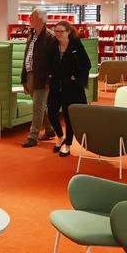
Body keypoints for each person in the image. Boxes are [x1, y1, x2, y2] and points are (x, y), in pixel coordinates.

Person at [46, 20, 91, 157]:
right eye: (56, 31)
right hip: (55, 85)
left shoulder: (76, 44)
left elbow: (86, 64)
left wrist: (75, 78)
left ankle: (67, 145)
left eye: (61, 31)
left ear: (68, 32)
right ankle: (60, 137)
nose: (58, 34)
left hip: (71, 87)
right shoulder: (53, 45)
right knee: (51, 113)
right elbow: (49, 62)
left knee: (68, 116)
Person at [19, 9, 57, 148]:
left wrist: (49, 80)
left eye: (32, 17)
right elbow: (26, 57)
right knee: (40, 106)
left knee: (37, 106)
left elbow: (53, 61)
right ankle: (49, 129)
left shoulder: (50, 37)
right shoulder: (31, 35)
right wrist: (23, 78)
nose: (29, 19)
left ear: (40, 20)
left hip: (42, 77)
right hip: (30, 76)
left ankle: (32, 136)